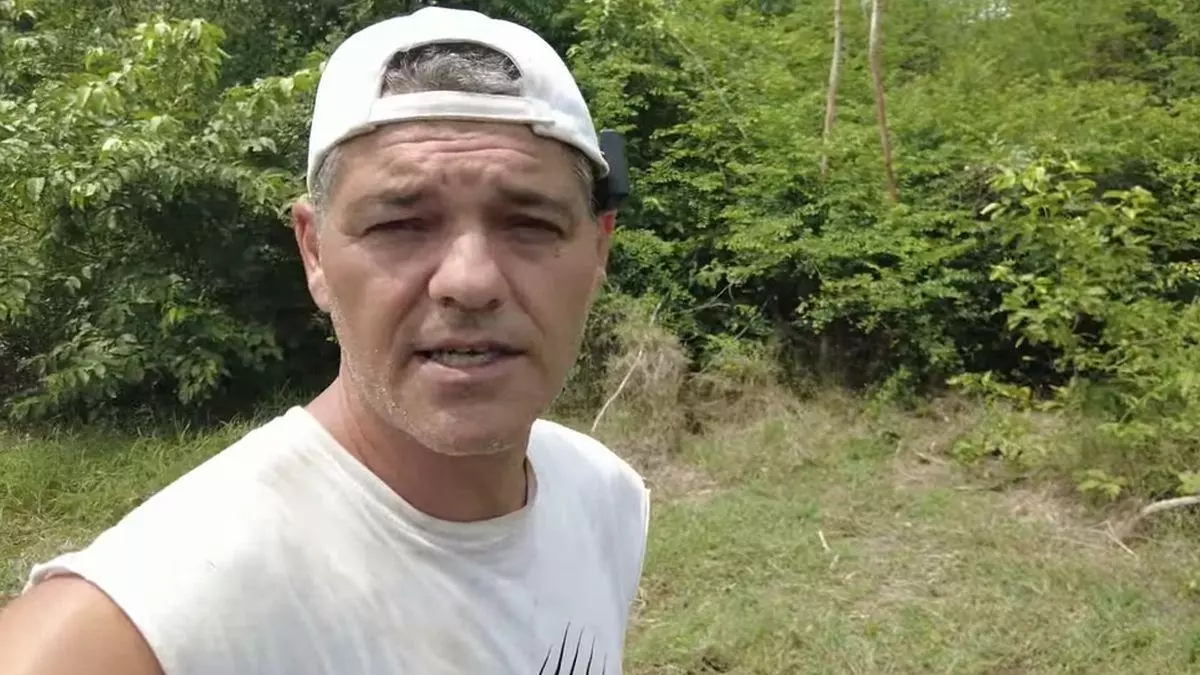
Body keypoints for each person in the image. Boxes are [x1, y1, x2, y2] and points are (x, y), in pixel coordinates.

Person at [0, 7, 651, 674]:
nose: (470, 281)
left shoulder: (603, 501)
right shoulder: (153, 617)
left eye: (531, 224)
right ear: (314, 253)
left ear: (598, 250)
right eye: (400, 224)